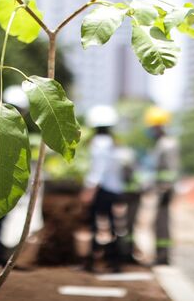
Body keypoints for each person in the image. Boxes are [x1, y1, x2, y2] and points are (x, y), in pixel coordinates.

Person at [82, 105, 124, 272]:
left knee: (94, 225)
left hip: (101, 189)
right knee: (113, 225)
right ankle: (114, 262)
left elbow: (99, 169)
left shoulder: (99, 143)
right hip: (114, 189)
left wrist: (89, 189)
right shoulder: (114, 143)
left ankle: (92, 262)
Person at [144, 106, 179, 265]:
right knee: (158, 223)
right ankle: (160, 255)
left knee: (162, 224)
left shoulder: (168, 144)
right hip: (160, 190)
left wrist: (166, 188)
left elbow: (171, 170)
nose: (152, 129)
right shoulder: (160, 144)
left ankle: (163, 257)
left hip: (165, 191)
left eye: (154, 126)